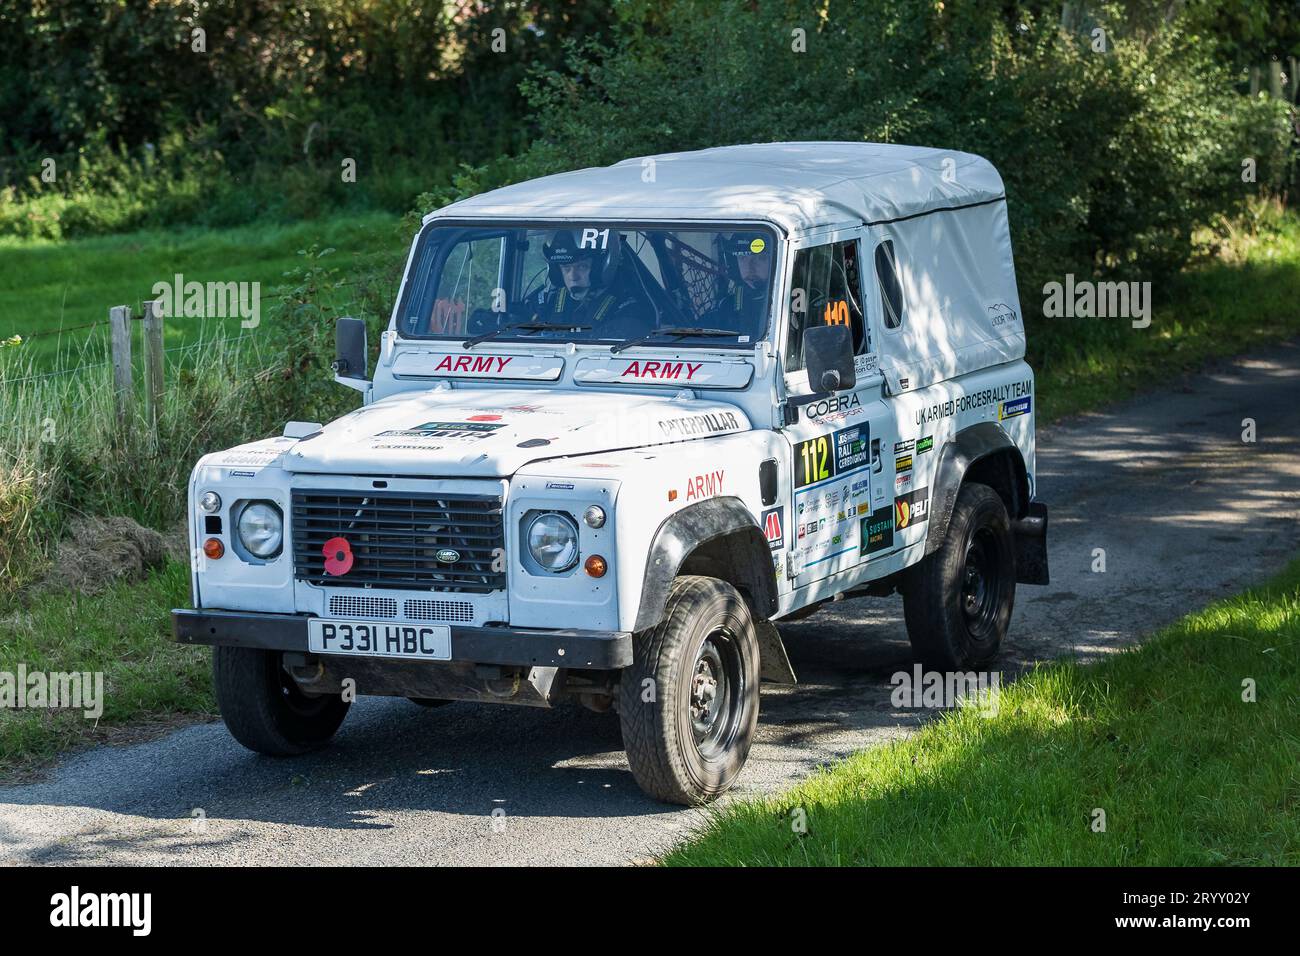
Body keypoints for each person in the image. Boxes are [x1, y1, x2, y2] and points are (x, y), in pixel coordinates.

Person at [527, 230, 652, 334]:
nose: (573, 277)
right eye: (566, 268)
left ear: (602, 267)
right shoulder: (549, 298)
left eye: (582, 267)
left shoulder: (629, 304)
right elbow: (518, 321)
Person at [703, 232, 773, 333]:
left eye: (760, 258)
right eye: (742, 258)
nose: (750, 267)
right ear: (734, 263)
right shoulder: (726, 306)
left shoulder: (787, 303)